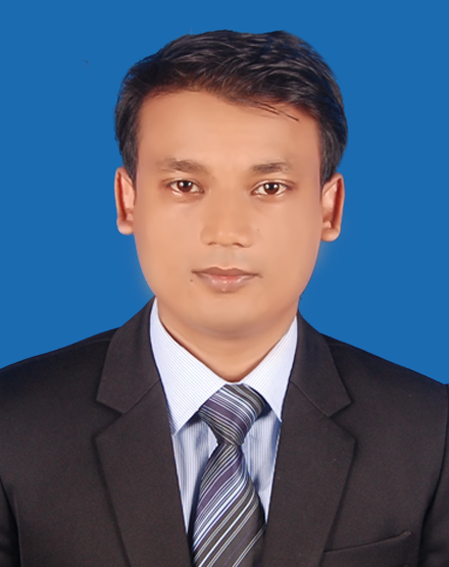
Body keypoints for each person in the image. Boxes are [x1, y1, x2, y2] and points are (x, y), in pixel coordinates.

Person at [0, 30, 447, 567]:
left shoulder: (430, 433)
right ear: (128, 201)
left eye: (270, 188)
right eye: (185, 185)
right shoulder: (13, 426)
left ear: (328, 210)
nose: (226, 232)